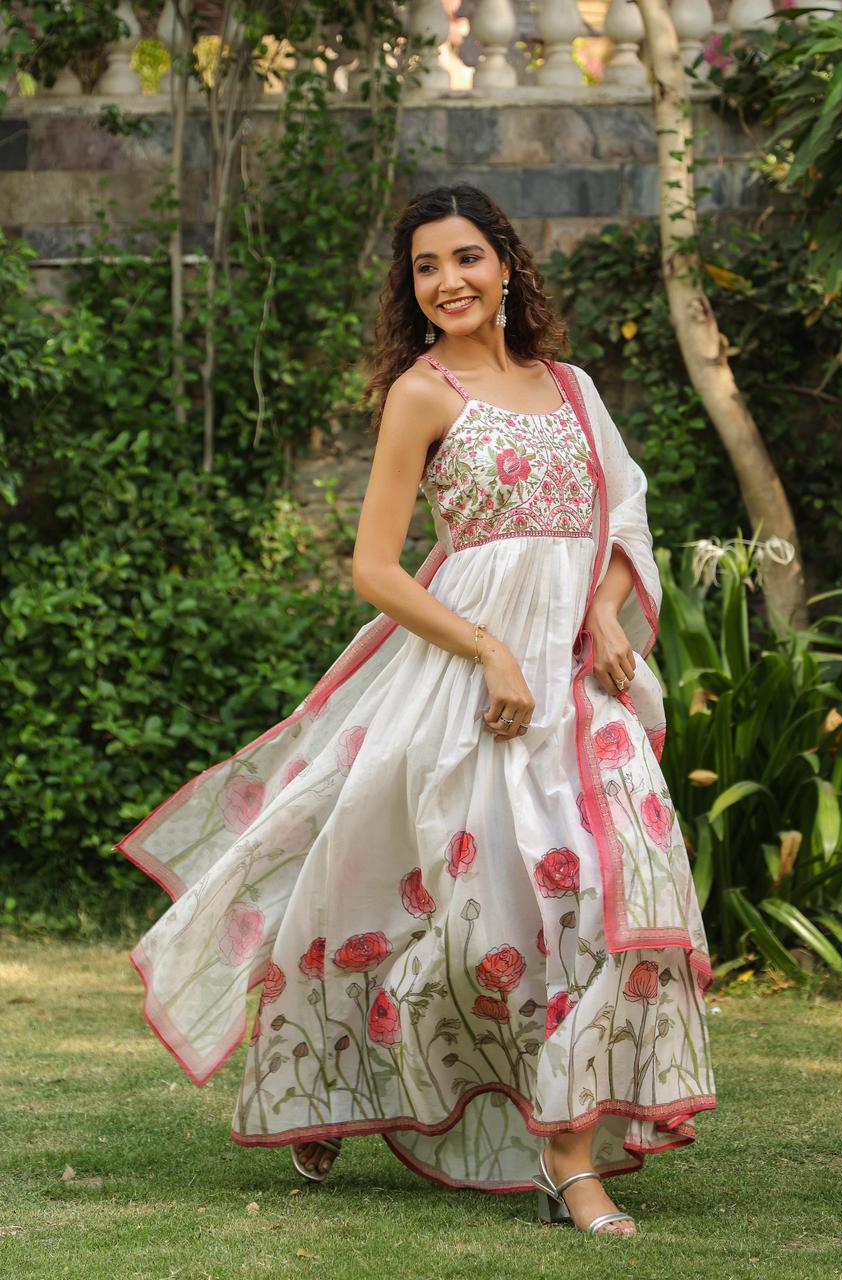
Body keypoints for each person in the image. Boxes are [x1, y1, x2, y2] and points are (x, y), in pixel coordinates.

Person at [115, 183, 717, 1240]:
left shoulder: (572, 388)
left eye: (466, 257)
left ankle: (566, 1157)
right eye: (425, 266)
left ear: (506, 265)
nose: (448, 281)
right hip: (465, 683)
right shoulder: (421, 394)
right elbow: (375, 566)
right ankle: (334, 1078)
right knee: (430, 901)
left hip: (579, 687)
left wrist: (606, 609)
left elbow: (621, 511)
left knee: (608, 896)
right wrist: (487, 649)